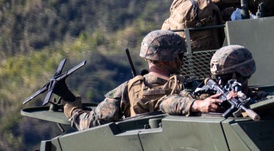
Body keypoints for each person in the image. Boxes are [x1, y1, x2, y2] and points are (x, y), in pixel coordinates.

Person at [58, 30, 225, 131]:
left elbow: (92, 123)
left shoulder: (127, 89)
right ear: (167, 60)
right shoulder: (189, 86)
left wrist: (72, 108)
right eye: (180, 56)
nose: (182, 61)